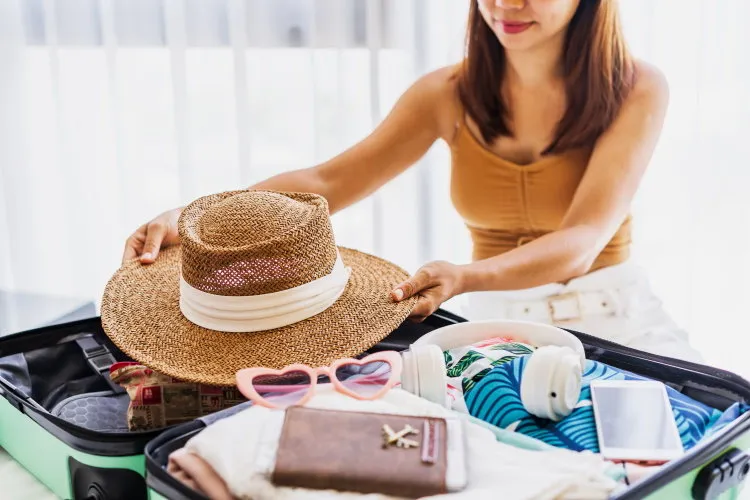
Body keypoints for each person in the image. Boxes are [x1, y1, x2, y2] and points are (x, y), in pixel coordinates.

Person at [122, 0, 703, 363]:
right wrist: (200, 217)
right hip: (497, 322)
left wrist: (464, 275)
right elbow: (329, 180)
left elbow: (582, 242)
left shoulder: (637, 88)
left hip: (613, 312)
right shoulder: (445, 93)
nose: (505, 3)